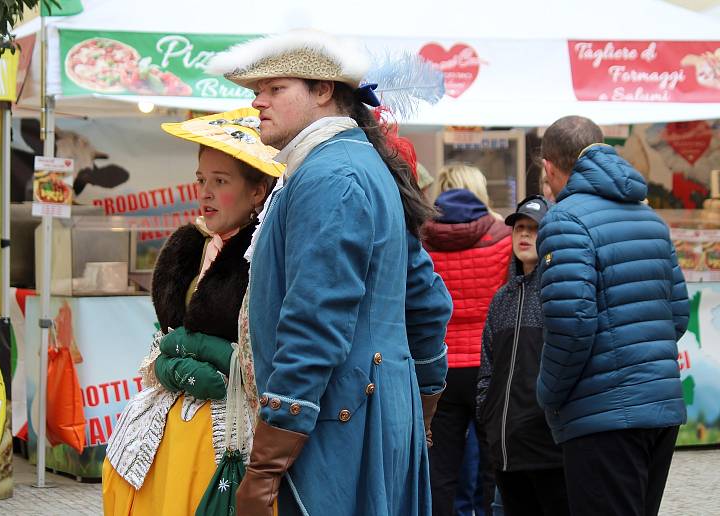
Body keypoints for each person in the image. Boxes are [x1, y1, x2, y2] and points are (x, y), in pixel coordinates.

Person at [207, 29, 452, 516]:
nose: (257, 101)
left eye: (275, 88)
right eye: (257, 90)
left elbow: (314, 323)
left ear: (323, 91)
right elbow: (425, 300)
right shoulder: (356, 164)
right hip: (372, 414)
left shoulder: (329, 176)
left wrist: (265, 467)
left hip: (338, 426)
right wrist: (418, 403)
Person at [101, 108, 282, 515]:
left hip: (231, 428)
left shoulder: (268, 254)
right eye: (202, 180)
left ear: (258, 191)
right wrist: (170, 360)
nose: (205, 192)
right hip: (172, 422)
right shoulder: (192, 247)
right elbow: (166, 333)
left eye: (221, 182)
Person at [537, 115, 689, 516]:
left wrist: (548, 395)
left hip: (602, 416)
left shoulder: (564, 219)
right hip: (659, 407)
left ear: (549, 166)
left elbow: (571, 325)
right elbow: (678, 314)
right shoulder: (649, 218)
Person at [423, 164, 512, 516]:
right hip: (488, 364)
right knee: (492, 464)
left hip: (441, 366)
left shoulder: (422, 237)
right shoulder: (502, 235)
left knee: (441, 466)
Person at [476, 194, 569, 516]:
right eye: (519, 228)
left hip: (548, 447)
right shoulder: (502, 298)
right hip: (506, 447)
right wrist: (487, 414)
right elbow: (487, 366)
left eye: (533, 228)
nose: (525, 235)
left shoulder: (557, 290)